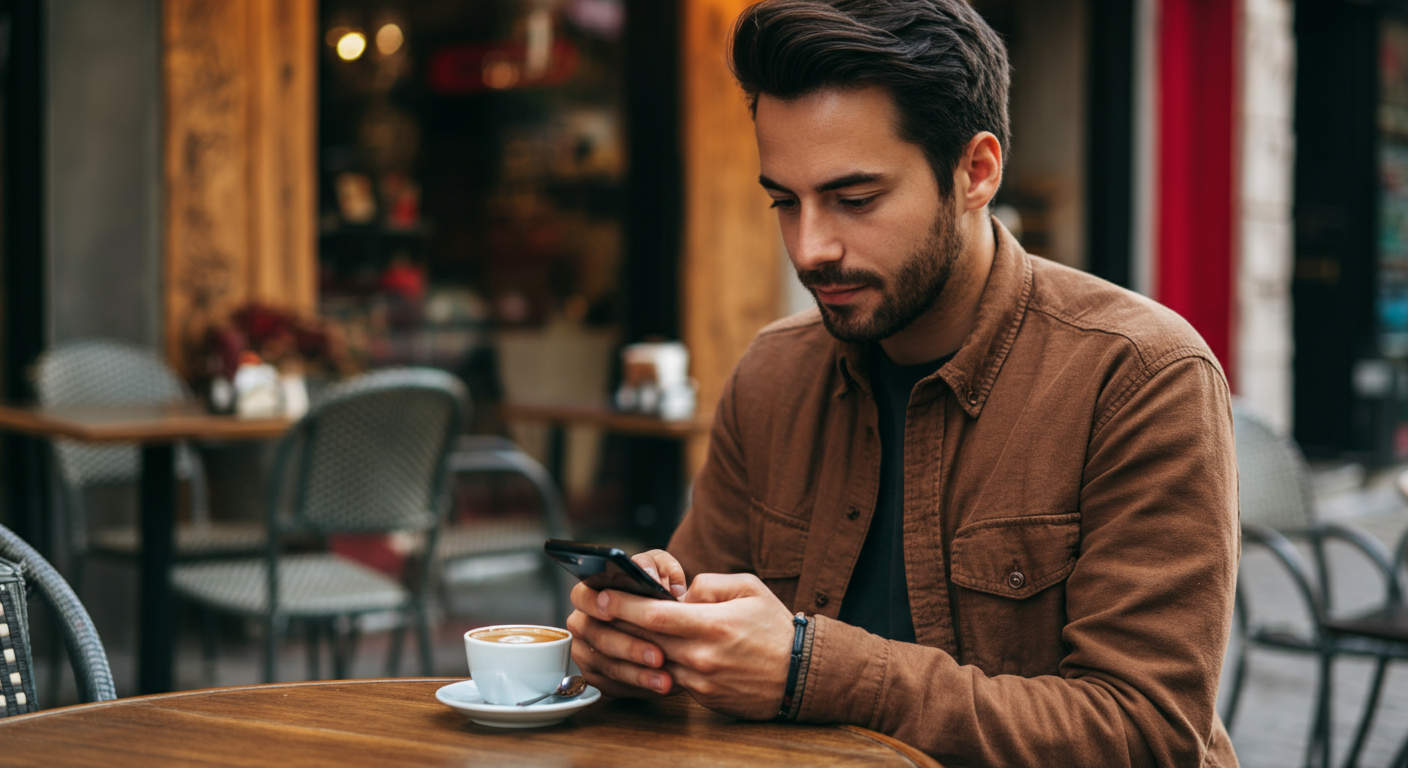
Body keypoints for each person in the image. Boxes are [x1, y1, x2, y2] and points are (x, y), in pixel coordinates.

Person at [566, 1, 1240, 766]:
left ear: (976, 172)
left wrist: (809, 669)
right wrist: (638, 645)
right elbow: (696, 640)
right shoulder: (772, 374)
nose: (811, 248)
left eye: (855, 200)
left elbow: (1146, 734)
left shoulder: (1138, 376)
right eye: (784, 202)